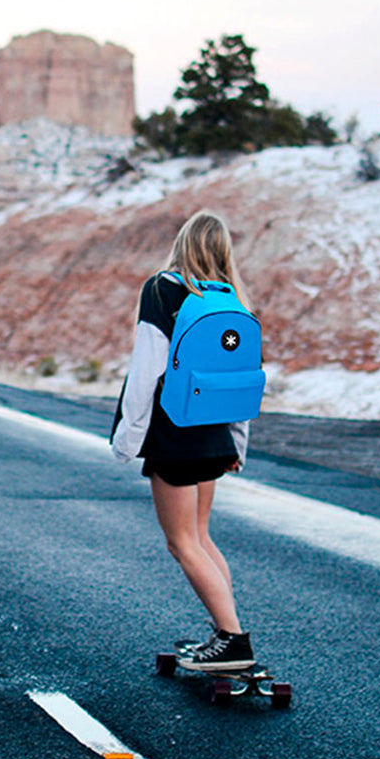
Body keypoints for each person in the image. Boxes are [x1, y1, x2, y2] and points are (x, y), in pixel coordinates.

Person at [111, 210, 256, 671]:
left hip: (174, 435)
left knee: (181, 543)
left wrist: (127, 437)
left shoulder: (162, 290)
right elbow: (243, 381)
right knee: (200, 536)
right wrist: (236, 444)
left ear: (182, 243)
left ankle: (233, 638)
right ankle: (224, 631)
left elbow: (146, 370)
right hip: (213, 434)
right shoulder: (232, 300)